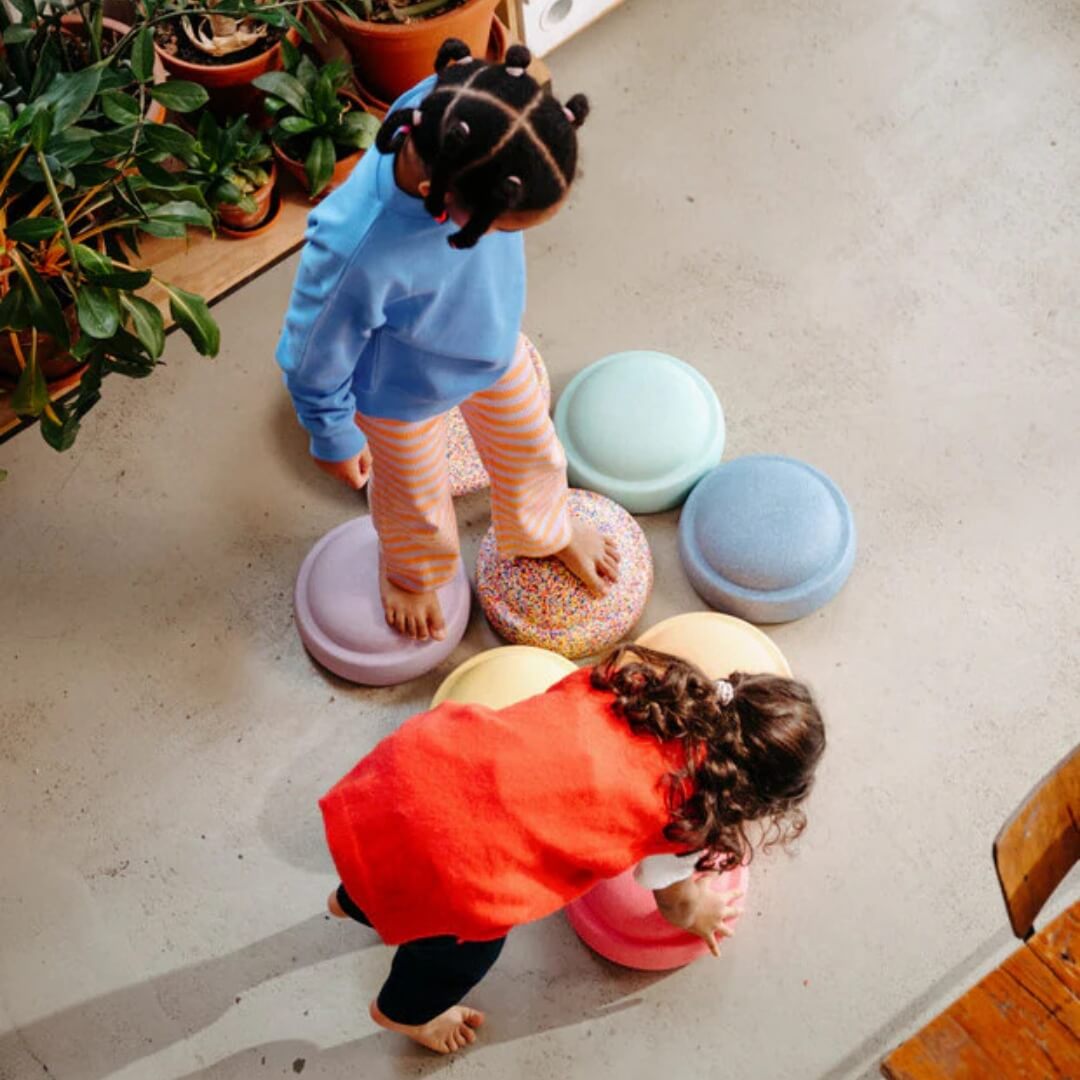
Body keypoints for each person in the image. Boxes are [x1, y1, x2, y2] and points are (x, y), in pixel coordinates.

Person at [320, 644, 826, 1054]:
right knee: (458, 949)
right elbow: (675, 902)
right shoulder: (685, 816)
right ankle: (405, 1012)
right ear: (755, 798)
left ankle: (352, 899)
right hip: (460, 868)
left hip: (422, 769)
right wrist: (699, 911)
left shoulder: (637, 689)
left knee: (402, 847)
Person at [276, 39, 617, 642]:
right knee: (413, 496)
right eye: (507, 228)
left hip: (490, 344)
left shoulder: (461, 107)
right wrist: (331, 432)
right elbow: (310, 352)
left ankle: (544, 529)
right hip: (398, 390)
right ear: (450, 204)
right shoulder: (357, 247)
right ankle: (411, 573)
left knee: (534, 446)